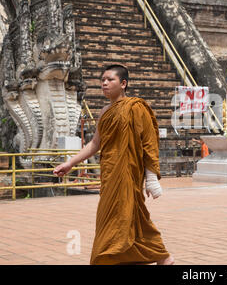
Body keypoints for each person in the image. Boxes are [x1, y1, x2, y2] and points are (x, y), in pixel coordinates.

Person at [53, 64, 174, 265]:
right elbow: (94, 144)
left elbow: (149, 142)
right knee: (112, 218)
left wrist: (151, 178)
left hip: (129, 173)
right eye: (103, 80)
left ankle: (156, 256)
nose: (105, 83)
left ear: (123, 84)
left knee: (132, 215)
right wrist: (70, 163)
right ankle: (153, 257)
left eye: (110, 79)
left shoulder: (136, 107)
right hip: (109, 174)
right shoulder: (105, 111)